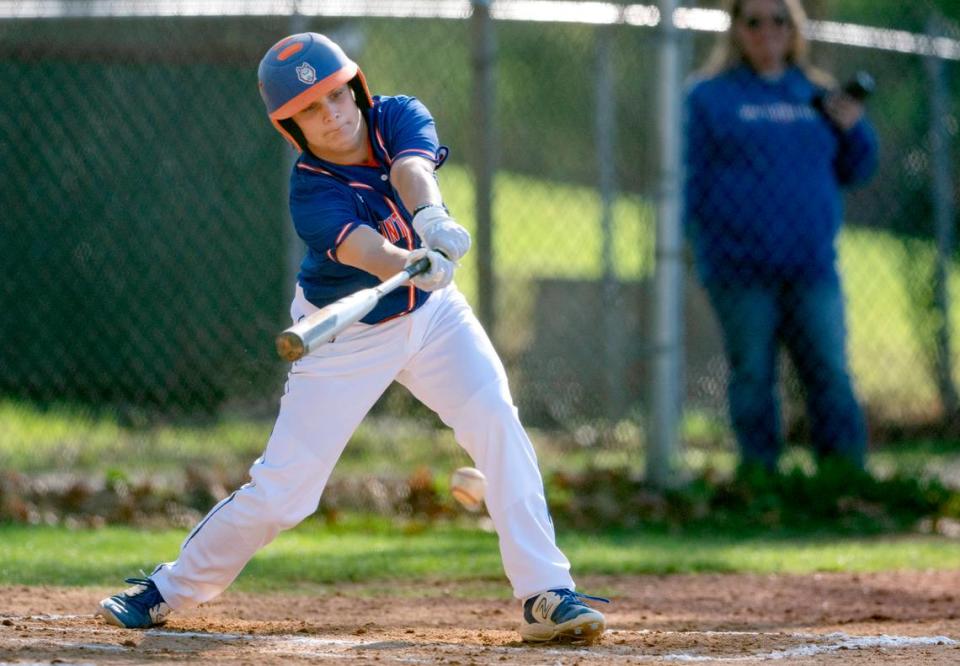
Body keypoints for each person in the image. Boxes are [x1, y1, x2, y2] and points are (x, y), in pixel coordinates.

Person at [94, 32, 607, 643]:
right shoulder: (311, 187)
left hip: (435, 316)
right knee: (285, 491)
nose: (332, 115)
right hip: (346, 333)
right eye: (310, 109)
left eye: (336, 95)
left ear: (355, 88)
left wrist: (432, 221)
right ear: (292, 127)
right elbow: (367, 251)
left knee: (497, 421)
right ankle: (165, 591)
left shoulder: (397, 115)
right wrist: (405, 259)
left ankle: (547, 591)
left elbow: (411, 168)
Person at [684, 0, 878, 474]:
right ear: (735, 30)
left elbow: (858, 168)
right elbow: (690, 181)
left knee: (829, 372)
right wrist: (701, 245)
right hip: (740, 268)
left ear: (795, 29)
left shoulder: (816, 93)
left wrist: (854, 129)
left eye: (779, 20)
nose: (766, 30)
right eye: (754, 21)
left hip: (810, 265)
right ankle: (761, 476)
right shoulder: (709, 97)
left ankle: (842, 475)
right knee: (752, 375)